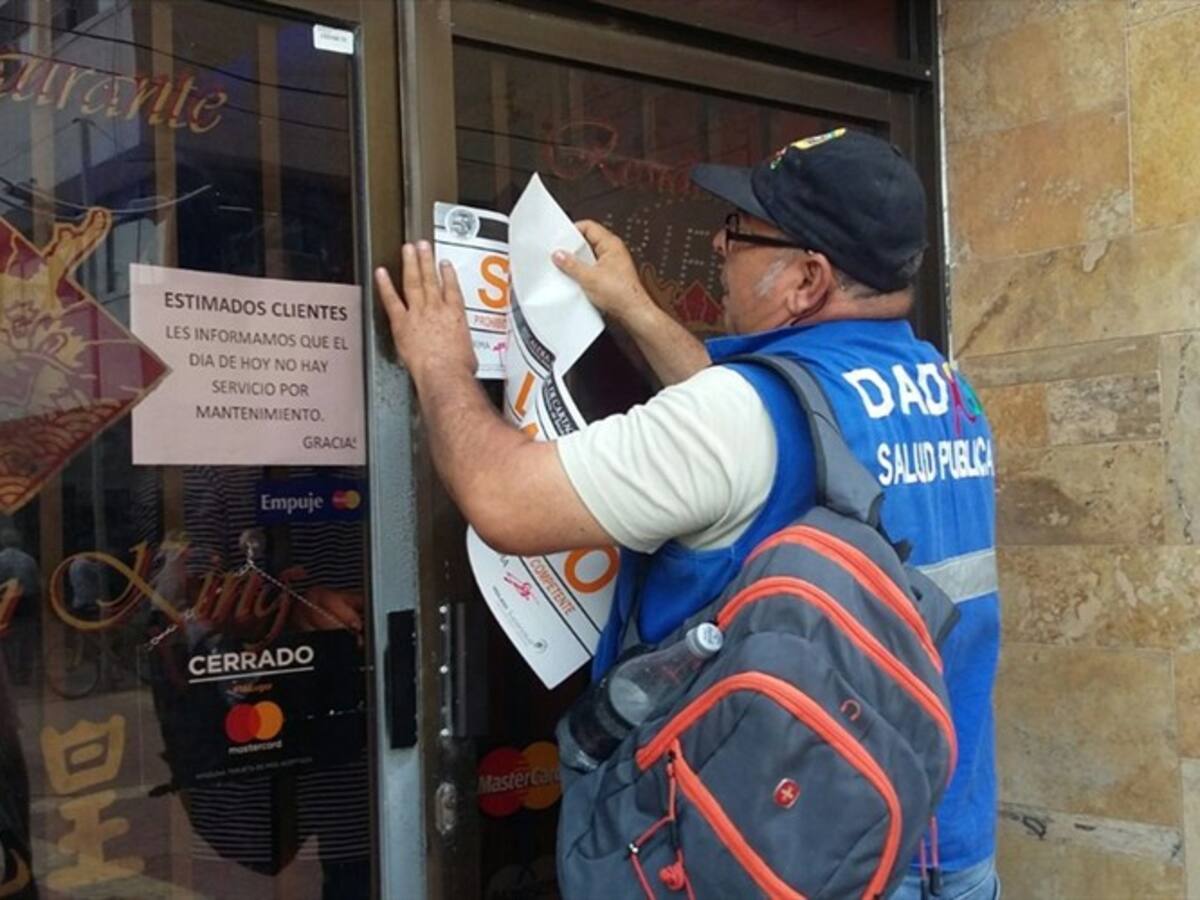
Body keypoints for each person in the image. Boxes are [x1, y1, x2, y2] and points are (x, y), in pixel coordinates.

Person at [375, 128, 1000, 900]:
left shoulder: (739, 420)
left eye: (740, 232)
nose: (716, 241)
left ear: (808, 278)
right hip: (943, 837)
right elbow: (777, 430)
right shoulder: (946, 391)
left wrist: (440, 364)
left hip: (789, 851)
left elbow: (502, 499)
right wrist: (634, 308)